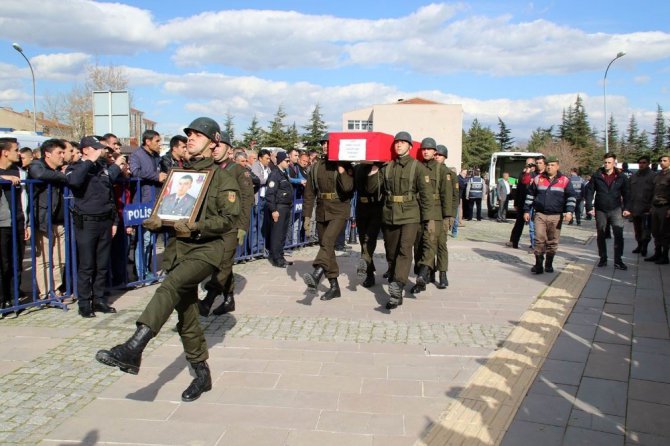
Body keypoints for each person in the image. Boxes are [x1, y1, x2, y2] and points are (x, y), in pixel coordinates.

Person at [96, 117, 241, 402]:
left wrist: (198, 227)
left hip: (207, 250)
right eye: (189, 134)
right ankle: (202, 373)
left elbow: (228, 219)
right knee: (186, 316)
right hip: (179, 250)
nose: (191, 138)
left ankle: (134, 347)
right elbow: (174, 212)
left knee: (170, 286)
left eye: (198, 135)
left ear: (213, 142)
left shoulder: (223, 177)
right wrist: (157, 221)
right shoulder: (179, 174)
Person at [366, 131, 430, 309]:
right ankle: (397, 290)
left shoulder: (417, 167)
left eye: (403, 142)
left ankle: (398, 284)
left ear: (410, 146)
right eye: (396, 142)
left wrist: (427, 220)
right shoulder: (387, 166)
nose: (399, 145)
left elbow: (426, 196)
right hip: (390, 214)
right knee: (391, 252)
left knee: (404, 249)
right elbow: (373, 190)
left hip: (411, 214)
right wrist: (373, 171)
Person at [66, 136, 125, 317]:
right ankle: (85, 303)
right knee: (87, 265)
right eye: (97, 148)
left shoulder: (102, 168)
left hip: (104, 221)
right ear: (86, 150)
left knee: (102, 264)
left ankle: (99, 300)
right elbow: (74, 181)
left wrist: (114, 221)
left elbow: (109, 196)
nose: (101, 151)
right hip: (87, 222)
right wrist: (89, 161)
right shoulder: (75, 167)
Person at [200, 137, 254, 317]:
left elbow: (247, 200)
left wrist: (242, 226)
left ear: (229, 150)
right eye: (213, 146)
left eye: (219, 145)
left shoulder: (238, 170)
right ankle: (229, 299)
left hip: (231, 224)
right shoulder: (210, 169)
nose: (215, 149)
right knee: (222, 263)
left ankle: (208, 300)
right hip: (213, 224)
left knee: (223, 262)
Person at [302, 133, 354, 301]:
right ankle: (334, 287)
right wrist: (307, 217)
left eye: (328, 143)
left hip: (339, 209)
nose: (325, 146)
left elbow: (347, 189)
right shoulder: (316, 166)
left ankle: (317, 273)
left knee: (329, 241)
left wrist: (341, 169)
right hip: (322, 210)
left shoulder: (345, 165)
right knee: (327, 248)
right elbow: (309, 194)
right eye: (323, 143)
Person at [27, 139, 69, 299]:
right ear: (48, 154)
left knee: (60, 259)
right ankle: (45, 293)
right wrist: (61, 176)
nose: (62, 156)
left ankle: (56, 290)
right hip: (43, 221)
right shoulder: (37, 165)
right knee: (44, 260)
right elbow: (39, 174)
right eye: (59, 152)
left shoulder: (59, 169)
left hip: (59, 221)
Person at [411, 138, 454, 294]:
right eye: (423, 149)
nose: (426, 151)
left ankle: (431, 274)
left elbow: (447, 195)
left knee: (433, 244)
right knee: (418, 245)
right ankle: (422, 273)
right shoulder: (417, 167)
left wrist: (448, 217)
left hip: (436, 213)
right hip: (417, 210)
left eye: (429, 149)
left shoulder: (442, 170)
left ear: (434, 152)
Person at [523, 156, 577, 274]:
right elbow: (530, 195)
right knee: (539, 239)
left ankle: (548, 264)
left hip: (556, 216)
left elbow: (571, 197)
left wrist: (569, 211)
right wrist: (526, 210)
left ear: (557, 166)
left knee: (552, 241)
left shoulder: (564, 181)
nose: (549, 167)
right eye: (548, 165)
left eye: (552, 165)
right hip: (540, 214)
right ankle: (538, 265)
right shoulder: (538, 179)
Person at [129, 129, 166, 281]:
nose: (160, 144)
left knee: (151, 240)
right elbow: (135, 172)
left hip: (156, 201)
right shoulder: (136, 155)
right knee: (144, 239)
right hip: (142, 202)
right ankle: (141, 273)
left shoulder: (157, 157)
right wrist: (156, 176)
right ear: (147, 141)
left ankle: (147, 270)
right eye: (157, 141)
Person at [585, 152, 631, 270]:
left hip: (616, 209)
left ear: (614, 163)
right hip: (601, 209)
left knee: (618, 234)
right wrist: (589, 207)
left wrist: (627, 208)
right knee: (601, 234)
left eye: (609, 162)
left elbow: (627, 193)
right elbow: (589, 191)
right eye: (605, 162)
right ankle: (603, 258)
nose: (606, 164)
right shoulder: (597, 175)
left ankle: (618, 260)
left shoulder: (621, 176)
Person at [0, 137, 30, 312]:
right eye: (15, 150)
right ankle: (2, 299)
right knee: (3, 263)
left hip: (17, 222)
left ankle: (14, 297)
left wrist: (26, 223)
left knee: (16, 262)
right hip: (2, 224)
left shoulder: (19, 172)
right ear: (5, 152)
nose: (19, 153)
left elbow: (23, 199)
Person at [354, 162, 383, 288]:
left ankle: (366, 265)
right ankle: (369, 273)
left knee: (369, 239)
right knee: (362, 240)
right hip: (361, 207)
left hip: (376, 207)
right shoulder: (358, 168)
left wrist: (375, 170)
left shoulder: (381, 167)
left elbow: (373, 188)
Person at [433, 144, 459, 288]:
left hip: (444, 214)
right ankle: (430, 271)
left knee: (441, 244)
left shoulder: (450, 174)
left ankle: (442, 273)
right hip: (432, 213)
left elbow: (455, 197)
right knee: (429, 244)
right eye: (436, 154)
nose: (437, 157)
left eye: (440, 155)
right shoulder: (428, 171)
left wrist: (451, 216)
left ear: (445, 157)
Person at [265, 151, 295, 268]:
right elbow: (270, 194)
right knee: (277, 234)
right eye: (287, 161)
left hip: (286, 206)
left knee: (282, 233)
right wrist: (274, 210)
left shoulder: (284, 173)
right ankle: (276, 258)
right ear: (281, 161)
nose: (289, 163)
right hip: (279, 207)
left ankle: (280, 256)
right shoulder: (275, 174)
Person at [644, 154, 670, 264]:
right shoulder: (658, 175)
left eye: (664, 160)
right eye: (661, 161)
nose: (662, 162)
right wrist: (650, 206)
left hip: (665, 207)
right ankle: (657, 253)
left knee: (665, 232)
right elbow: (653, 192)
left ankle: (665, 256)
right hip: (655, 207)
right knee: (655, 231)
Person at [629, 156, 656, 256]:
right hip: (635, 208)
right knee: (637, 229)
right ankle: (639, 245)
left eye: (644, 162)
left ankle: (644, 246)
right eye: (640, 163)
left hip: (647, 208)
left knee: (646, 229)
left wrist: (652, 206)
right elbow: (629, 192)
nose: (641, 164)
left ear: (648, 163)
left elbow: (656, 192)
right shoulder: (634, 176)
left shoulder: (653, 176)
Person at [250, 148, 272, 255]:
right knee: (254, 225)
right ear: (260, 158)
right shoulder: (255, 166)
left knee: (262, 224)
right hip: (257, 199)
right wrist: (268, 179)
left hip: (265, 199)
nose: (268, 160)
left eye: (269, 158)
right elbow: (259, 180)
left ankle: (261, 247)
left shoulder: (268, 168)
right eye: (266, 158)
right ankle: (254, 249)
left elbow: (270, 179)